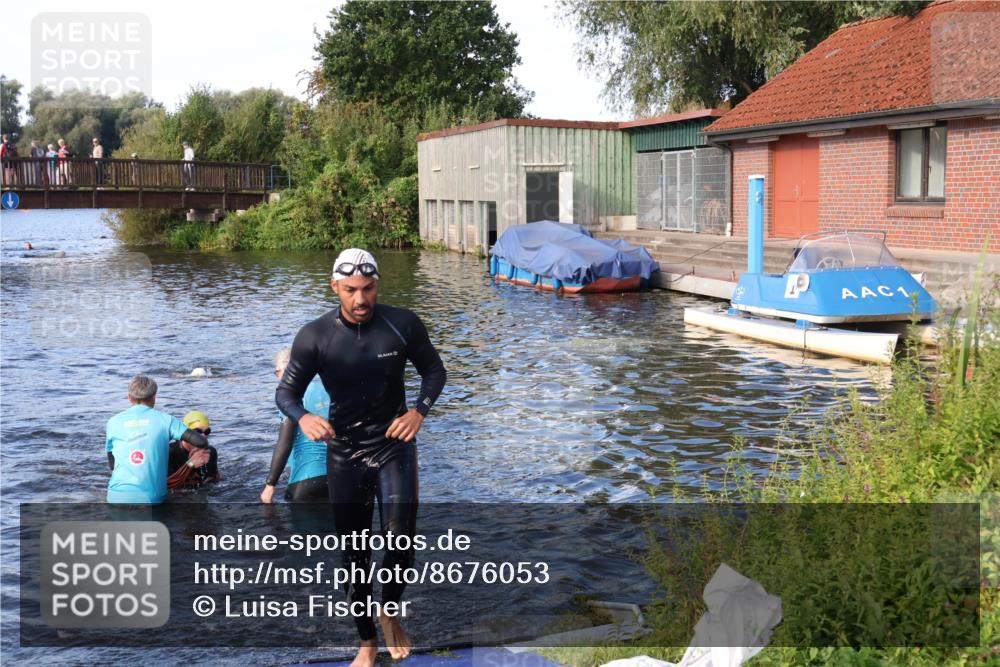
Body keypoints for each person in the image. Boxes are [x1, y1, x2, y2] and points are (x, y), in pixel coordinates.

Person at [276, 248, 446, 667]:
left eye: (368, 288)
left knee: (399, 539)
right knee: (354, 555)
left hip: (393, 444)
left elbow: (435, 371)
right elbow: (286, 393)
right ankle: (367, 642)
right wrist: (303, 417)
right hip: (345, 452)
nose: (360, 298)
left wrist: (418, 411)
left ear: (377, 285)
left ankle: (388, 608)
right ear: (335, 287)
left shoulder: (402, 324)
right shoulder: (315, 336)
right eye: (350, 289)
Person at [105, 376, 208, 504]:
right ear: (154, 397)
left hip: (116, 497)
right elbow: (201, 441)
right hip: (152, 499)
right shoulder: (166, 420)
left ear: (129, 397)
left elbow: (112, 464)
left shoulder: (113, 422)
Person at [262, 349, 331, 504]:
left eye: (277, 371)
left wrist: (270, 484)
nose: (278, 377)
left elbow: (284, 443)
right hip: (337, 479)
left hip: (305, 481)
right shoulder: (326, 391)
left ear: (288, 371)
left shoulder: (290, 399)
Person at [166, 410, 220, 490]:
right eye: (197, 431)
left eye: (207, 431)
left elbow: (214, 479)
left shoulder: (211, 452)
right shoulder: (169, 452)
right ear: (186, 433)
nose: (203, 436)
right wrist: (191, 464)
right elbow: (164, 485)